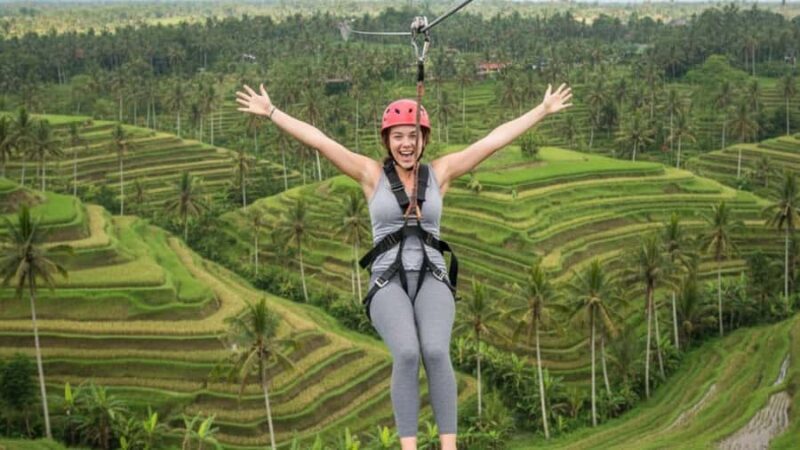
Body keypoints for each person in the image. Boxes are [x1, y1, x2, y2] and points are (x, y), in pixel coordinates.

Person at [236, 82, 572, 450]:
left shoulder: (440, 173)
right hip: (386, 282)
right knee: (408, 353)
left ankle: (449, 446)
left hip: (432, 276)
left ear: (424, 139)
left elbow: (491, 142)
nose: (406, 144)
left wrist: (541, 110)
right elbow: (320, 141)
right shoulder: (371, 175)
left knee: (436, 351)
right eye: (398, 137)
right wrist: (271, 112)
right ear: (387, 141)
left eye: (413, 136)